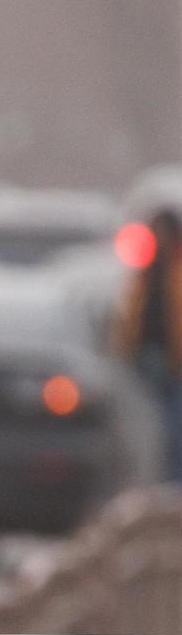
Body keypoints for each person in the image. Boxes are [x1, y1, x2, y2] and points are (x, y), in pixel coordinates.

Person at [111, 206, 182, 483]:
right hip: (148, 358)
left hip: (174, 363)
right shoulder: (145, 272)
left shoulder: (175, 271)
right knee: (151, 428)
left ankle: (174, 482)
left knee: (174, 427)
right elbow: (131, 313)